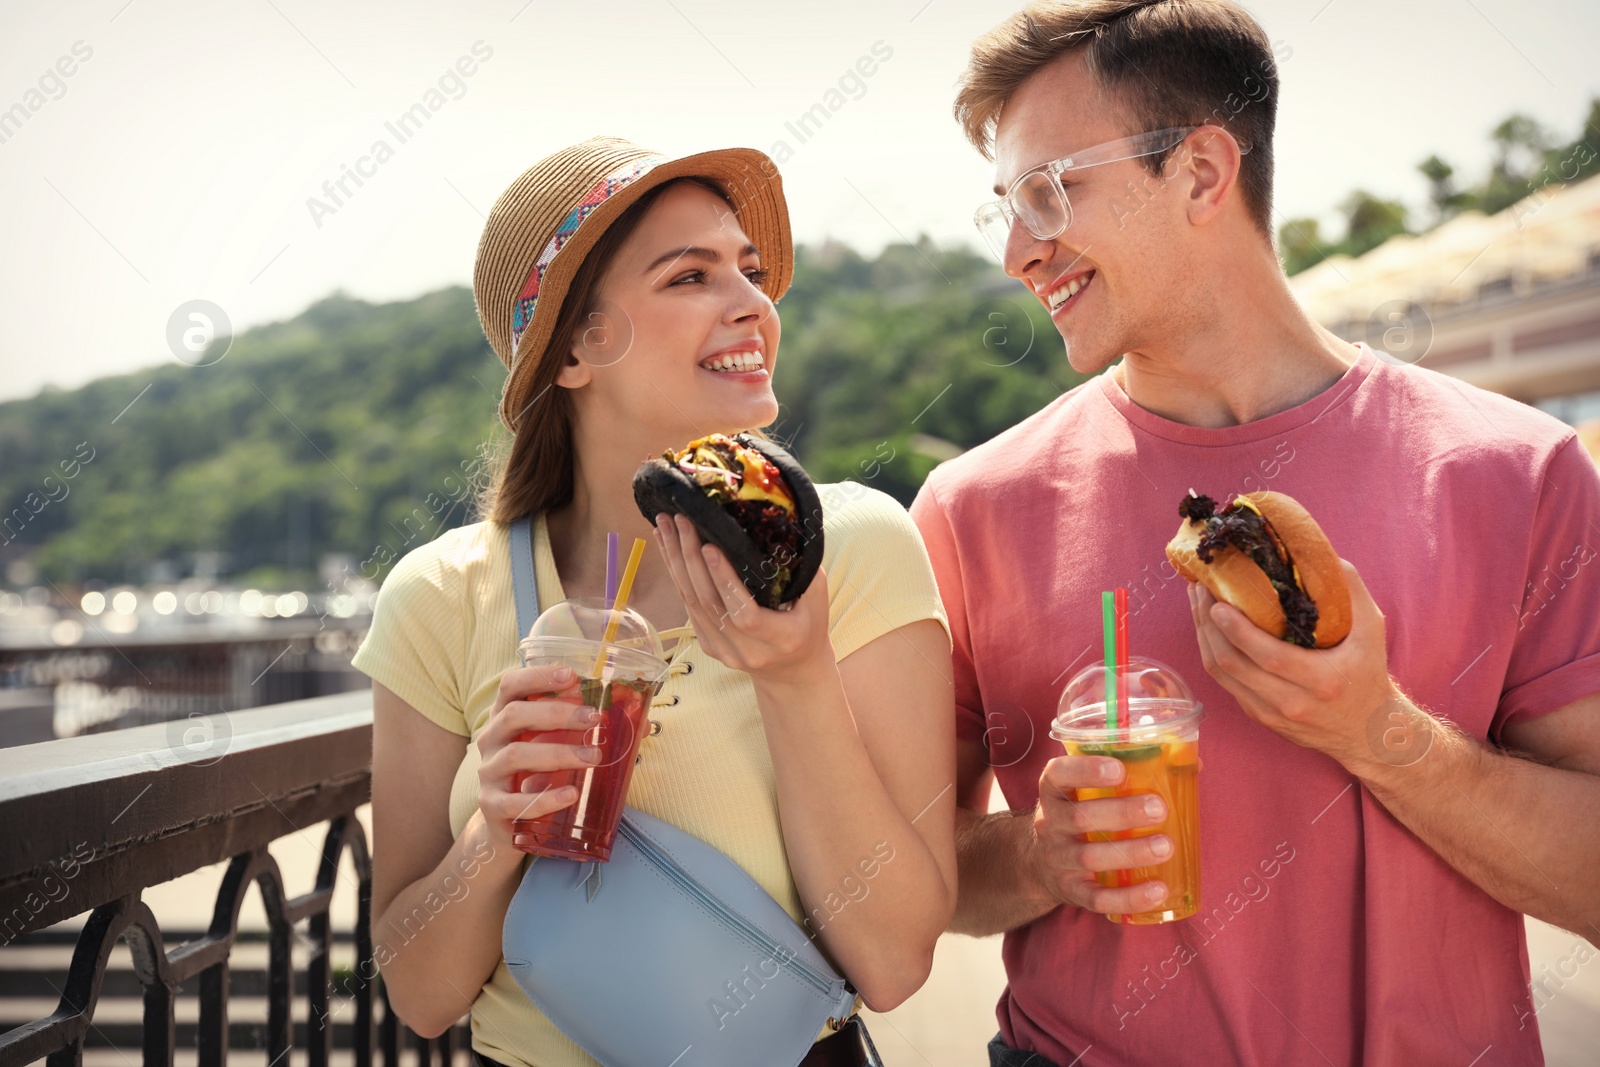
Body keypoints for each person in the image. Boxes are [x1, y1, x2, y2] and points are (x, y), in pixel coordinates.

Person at [910, 3, 1600, 1065]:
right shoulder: (969, 509)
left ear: (1198, 173)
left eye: (1051, 190)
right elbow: (909, 879)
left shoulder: (1520, 474)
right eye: (1005, 204)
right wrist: (1041, 856)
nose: (1014, 250)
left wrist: (1380, 731)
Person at [353, 136, 957, 1067]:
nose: (753, 303)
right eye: (690, 276)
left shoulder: (857, 547)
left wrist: (797, 676)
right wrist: (494, 834)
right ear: (573, 350)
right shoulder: (438, 597)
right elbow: (421, 996)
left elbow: (893, 959)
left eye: (750, 273)